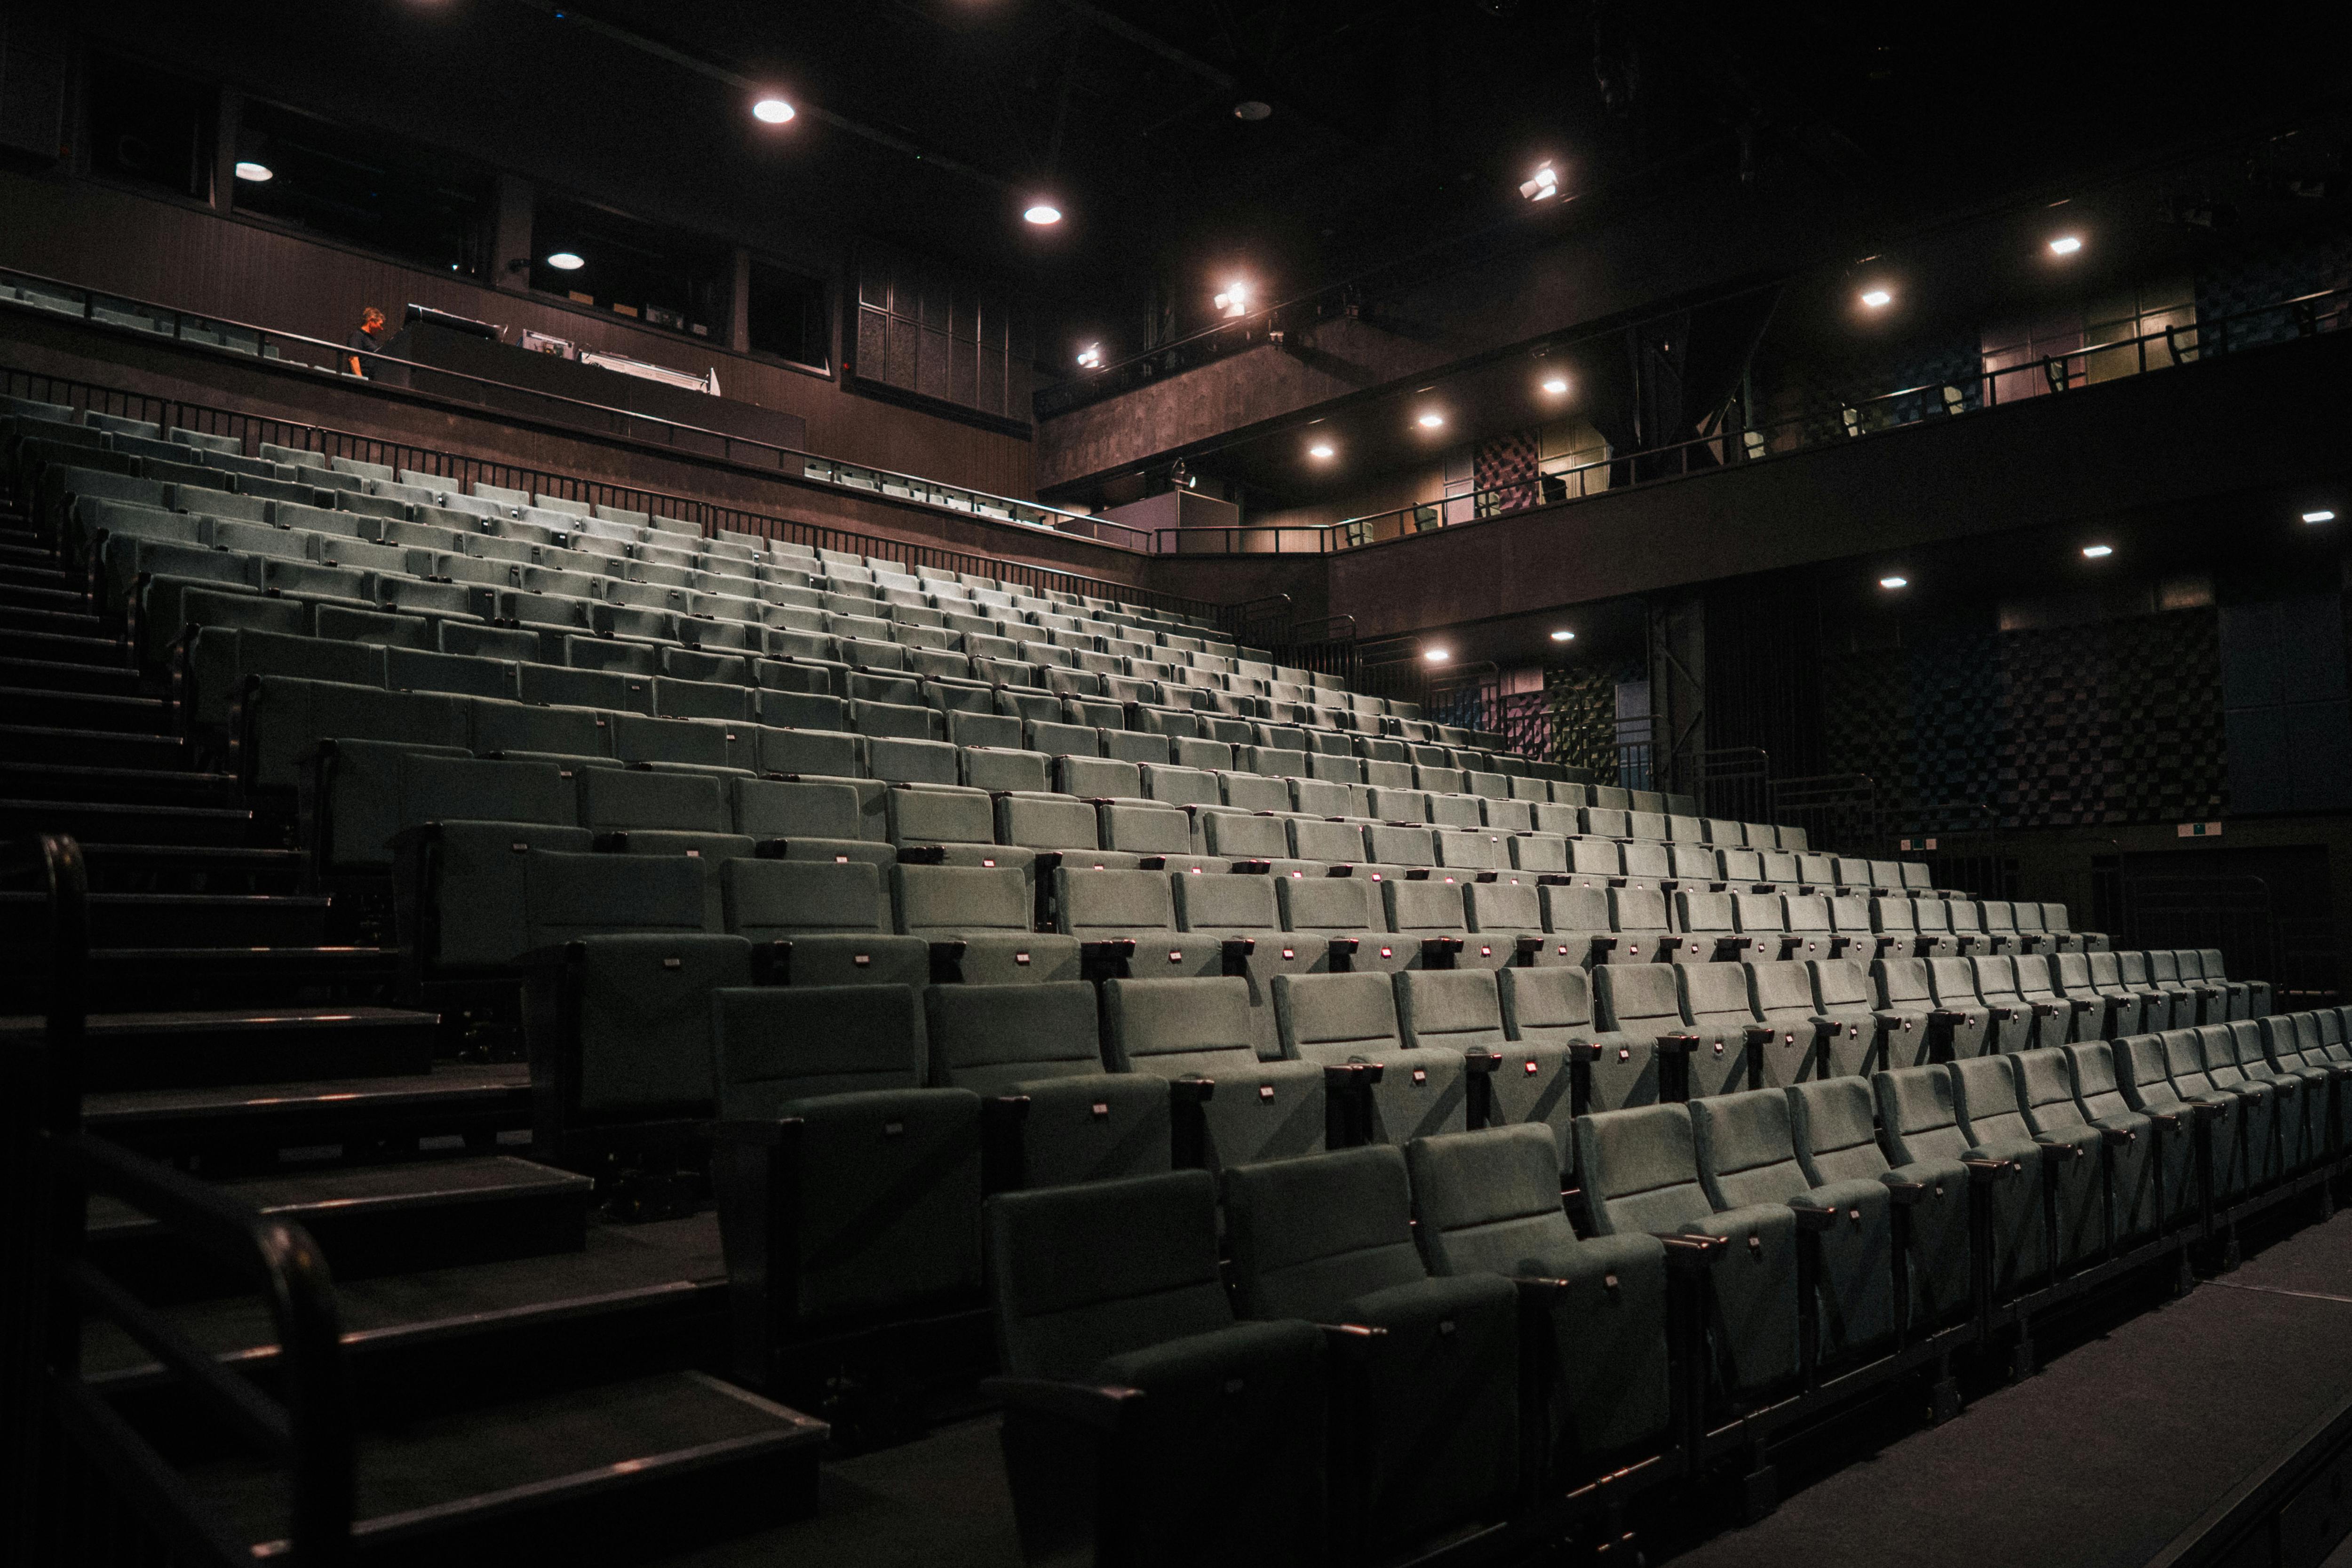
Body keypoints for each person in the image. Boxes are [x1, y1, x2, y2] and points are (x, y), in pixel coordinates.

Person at [345, 306, 389, 376]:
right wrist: (361, 380)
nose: (382, 329)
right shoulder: (358, 336)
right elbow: (353, 359)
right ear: (371, 321)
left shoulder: (372, 340)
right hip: (361, 381)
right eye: (380, 324)